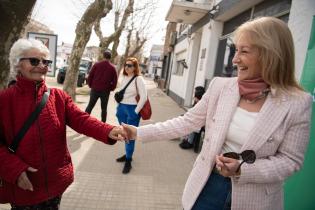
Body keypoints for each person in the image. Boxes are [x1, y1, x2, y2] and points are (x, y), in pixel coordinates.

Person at [122, 17, 312, 210]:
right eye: (236, 50)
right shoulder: (221, 87)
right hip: (207, 186)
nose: (235, 59)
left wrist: (243, 170)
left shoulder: (297, 102)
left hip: (256, 199)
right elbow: (187, 122)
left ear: (270, 55)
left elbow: (291, 161)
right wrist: (138, 132)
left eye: (244, 51)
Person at [0, 38, 126, 209]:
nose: (42, 65)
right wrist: (14, 169)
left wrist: (109, 129)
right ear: (17, 64)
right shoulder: (4, 100)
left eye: (46, 61)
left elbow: (81, 119)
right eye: (34, 61)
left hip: (55, 184)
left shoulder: (58, 96)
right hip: (24, 187)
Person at [115, 57, 147, 174]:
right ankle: (127, 154)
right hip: (122, 109)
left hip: (132, 109)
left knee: (130, 135)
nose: (127, 67)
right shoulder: (124, 78)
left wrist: (135, 111)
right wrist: (119, 106)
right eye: (126, 65)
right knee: (124, 134)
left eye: (130, 65)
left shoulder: (138, 79)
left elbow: (144, 97)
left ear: (135, 67)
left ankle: (128, 160)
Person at [85, 50, 117, 122]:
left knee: (90, 106)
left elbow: (90, 76)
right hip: (105, 91)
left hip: (95, 89)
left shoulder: (96, 65)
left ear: (103, 56)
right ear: (110, 57)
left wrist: (90, 85)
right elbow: (115, 81)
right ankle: (103, 124)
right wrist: (111, 88)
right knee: (104, 108)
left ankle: (83, 121)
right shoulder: (112, 68)